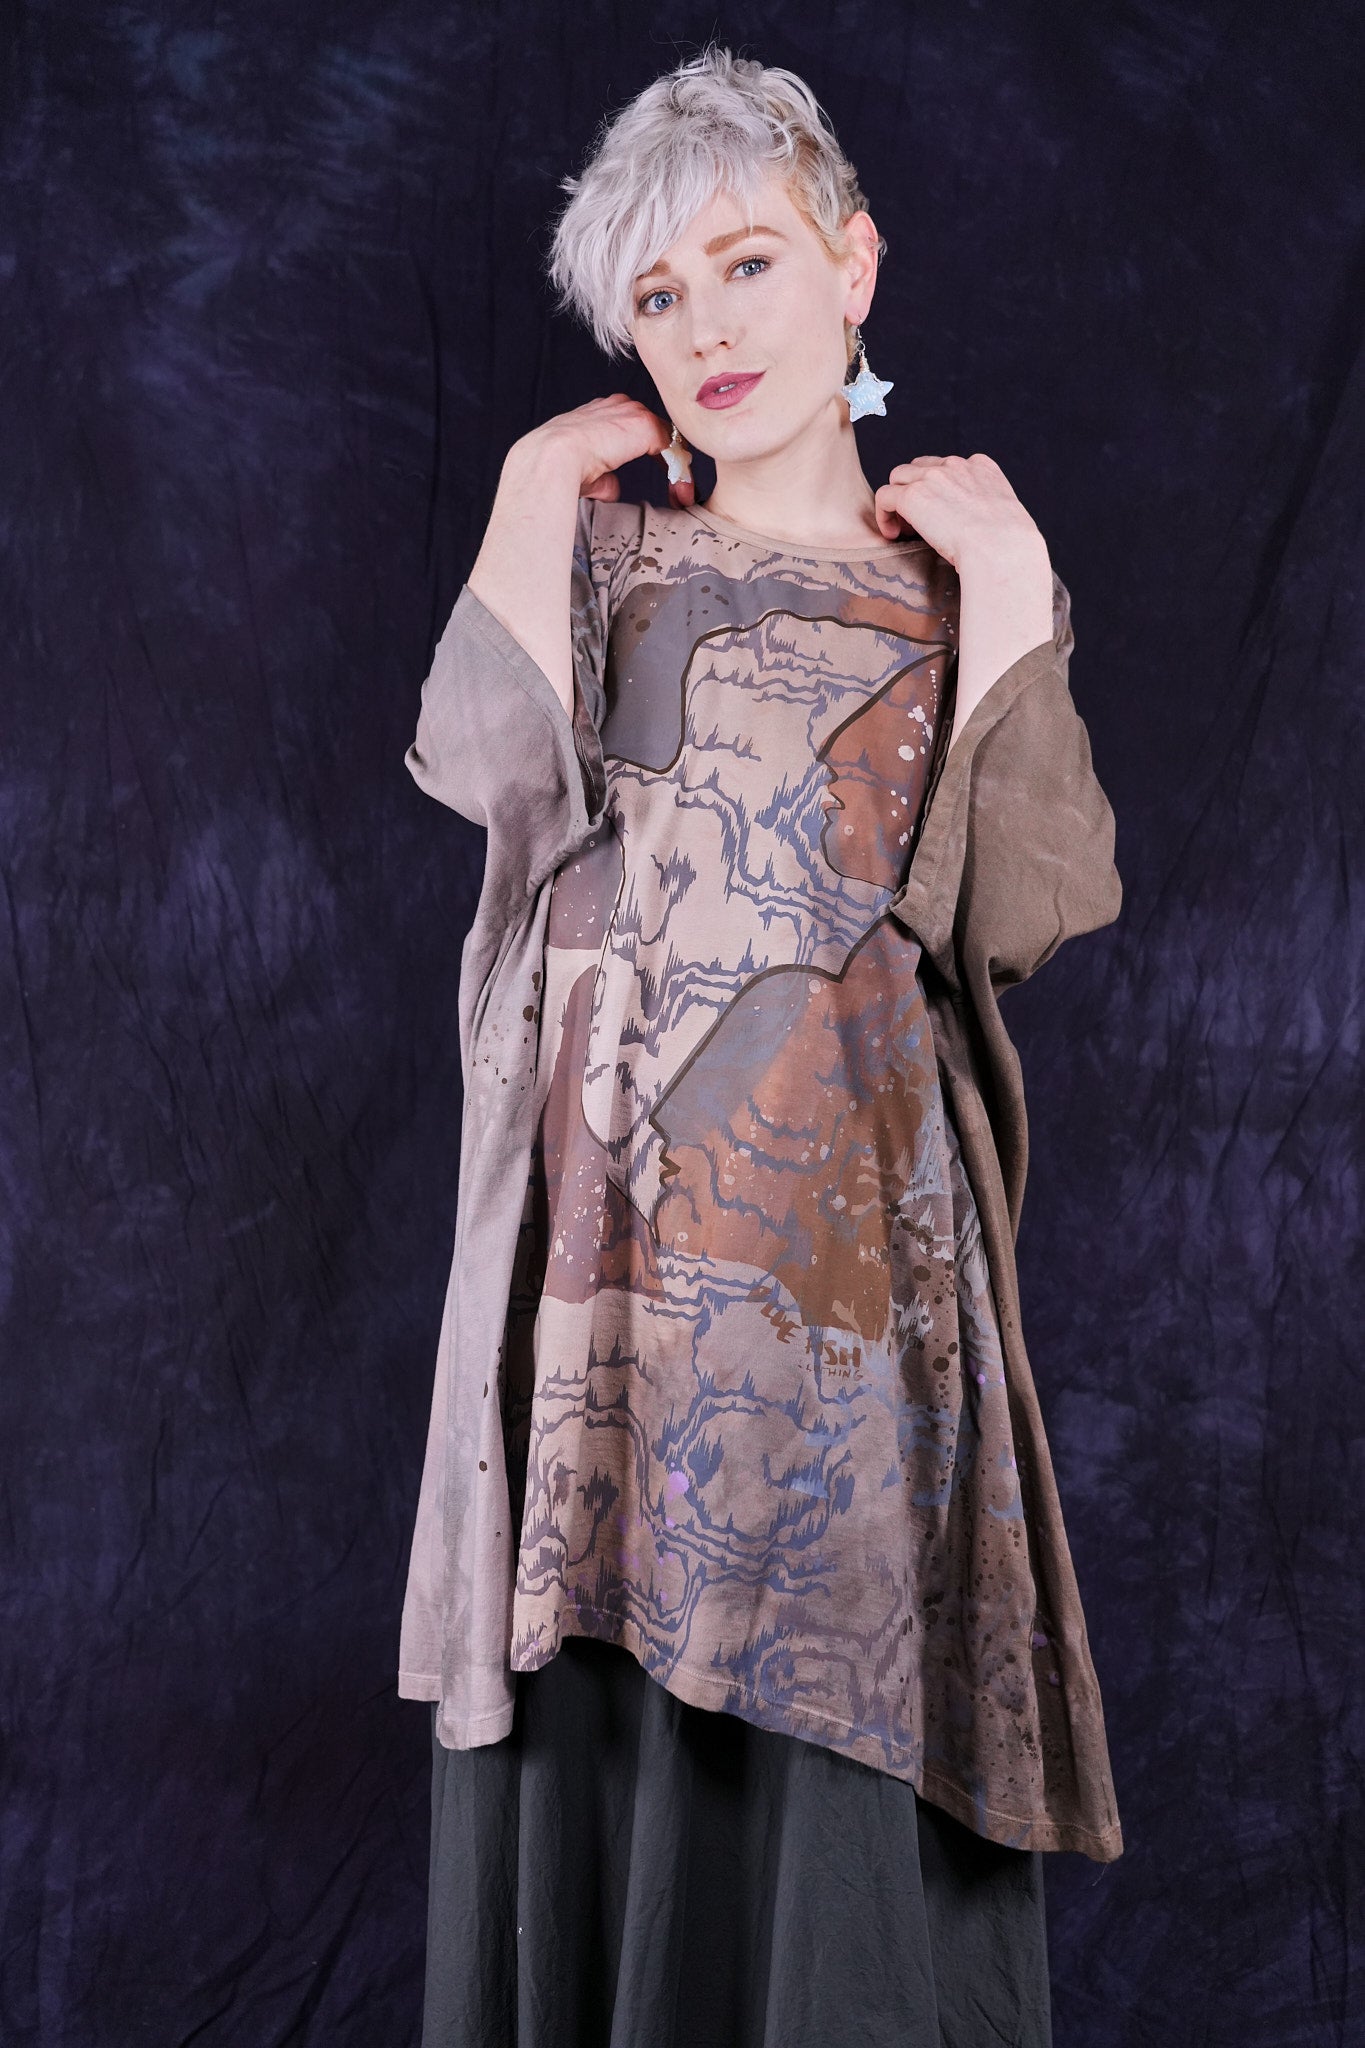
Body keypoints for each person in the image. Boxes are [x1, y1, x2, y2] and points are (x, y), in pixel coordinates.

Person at [400, 42, 1124, 2048]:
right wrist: (528, 486)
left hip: (845, 1323)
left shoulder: (948, 590)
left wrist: (1015, 590)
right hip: (604, 1303)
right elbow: (492, 778)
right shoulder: (599, 558)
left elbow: (1025, 905)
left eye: (745, 265)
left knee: (831, 1850)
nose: (706, 329)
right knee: (600, 1775)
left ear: (852, 265)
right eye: (657, 294)